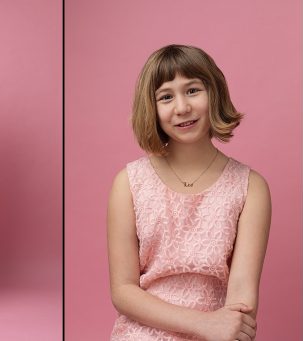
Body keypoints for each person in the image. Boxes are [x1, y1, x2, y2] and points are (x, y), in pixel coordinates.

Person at [107, 44, 272, 340]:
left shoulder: (251, 187)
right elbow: (122, 290)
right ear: (152, 108)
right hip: (143, 332)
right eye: (166, 96)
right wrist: (201, 323)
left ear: (214, 93)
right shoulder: (128, 183)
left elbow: (242, 298)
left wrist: (216, 328)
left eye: (193, 90)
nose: (182, 107)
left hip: (220, 332)